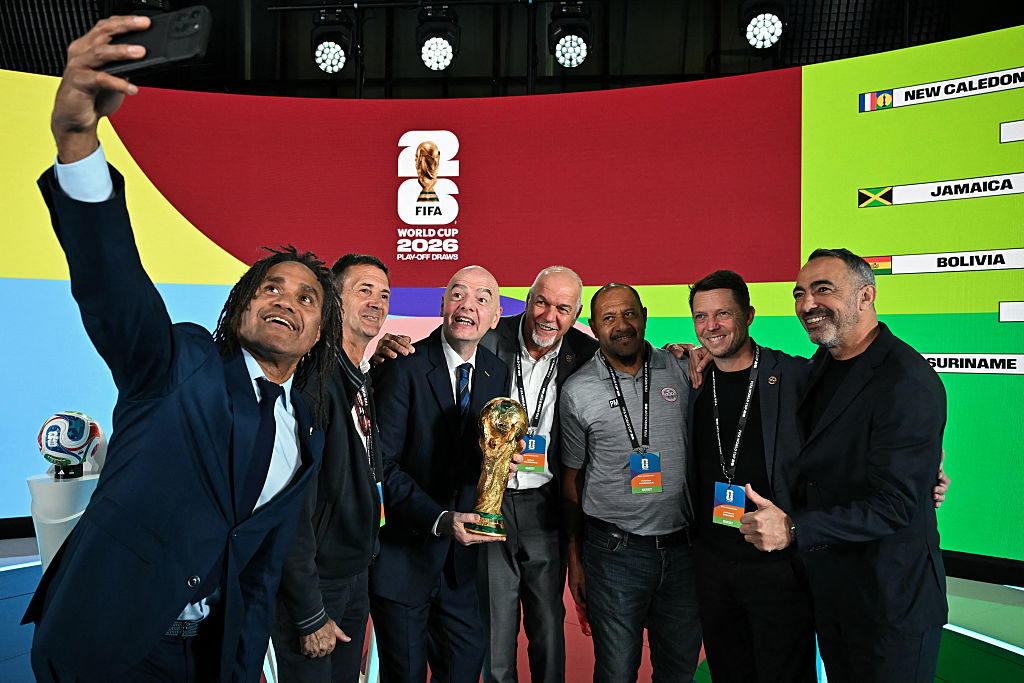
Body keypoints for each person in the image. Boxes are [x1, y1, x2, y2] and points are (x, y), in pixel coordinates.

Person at [21, 16, 343, 682]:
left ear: (315, 339)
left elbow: (257, 562)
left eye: (307, 299)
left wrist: (243, 658)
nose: (285, 299)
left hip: (209, 659)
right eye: (269, 287)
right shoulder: (181, 361)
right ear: (242, 307)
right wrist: (77, 137)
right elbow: (114, 287)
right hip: (108, 646)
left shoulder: (305, 428)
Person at [740, 248, 948, 683]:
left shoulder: (906, 379)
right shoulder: (822, 365)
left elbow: (895, 505)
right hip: (834, 595)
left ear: (865, 296)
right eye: (799, 293)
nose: (807, 304)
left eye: (823, 290)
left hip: (890, 604)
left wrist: (794, 529)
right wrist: (690, 351)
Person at [368, 266, 509, 683]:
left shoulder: (495, 372)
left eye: (482, 299)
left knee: (465, 667)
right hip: (405, 563)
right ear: (443, 305)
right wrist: (441, 520)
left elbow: (480, 456)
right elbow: (384, 466)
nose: (468, 305)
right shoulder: (402, 366)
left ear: (496, 316)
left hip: (461, 571)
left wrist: (500, 464)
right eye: (458, 295)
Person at [560, 283, 701, 683]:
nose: (621, 325)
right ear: (592, 325)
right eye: (608, 318)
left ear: (644, 314)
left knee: (678, 672)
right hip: (614, 553)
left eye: (629, 314)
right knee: (616, 673)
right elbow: (571, 479)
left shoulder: (682, 368)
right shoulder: (577, 390)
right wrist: (575, 560)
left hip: (683, 553)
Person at [686, 270, 816, 683]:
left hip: (776, 564)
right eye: (701, 316)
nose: (712, 326)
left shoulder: (795, 376)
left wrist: (924, 461)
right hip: (711, 561)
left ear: (749, 315)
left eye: (723, 313)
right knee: (728, 671)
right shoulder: (690, 378)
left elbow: (858, 418)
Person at [476, 266, 598, 683]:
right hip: (488, 500)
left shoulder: (585, 353)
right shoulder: (488, 338)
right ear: (527, 299)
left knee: (547, 622)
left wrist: (680, 352)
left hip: (545, 506)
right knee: (496, 623)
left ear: (577, 313)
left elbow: (636, 359)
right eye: (542, 302)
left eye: (563, 308)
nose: (549, 316)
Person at [274, 254, 393, 681]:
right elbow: (292, 507)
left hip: (353, 573)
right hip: (315, 585)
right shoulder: (312, 382)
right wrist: (308, 613)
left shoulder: (359, 377)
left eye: (384, 294)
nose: (376, 302)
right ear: (333, 302)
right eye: (364, 290)